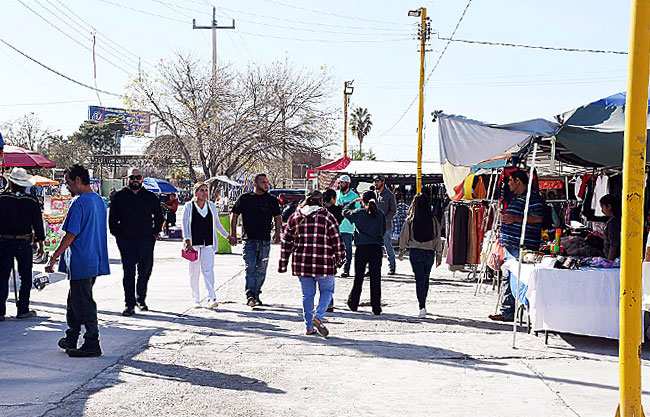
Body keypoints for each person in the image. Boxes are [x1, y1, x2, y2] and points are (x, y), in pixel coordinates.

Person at [46, 164, 110, 357]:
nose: (68, 187)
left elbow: (70, 235)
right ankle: (71, 336)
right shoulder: (99, 201)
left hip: (82, 259)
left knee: (83, 301)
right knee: (74, 300)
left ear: (79, 180)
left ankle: (92, 341)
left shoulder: (79, 203)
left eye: (68, 183)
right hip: (94, 258)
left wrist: (54, 256)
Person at [279, 190, 345, 336]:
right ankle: (318, 316)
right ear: (321, 202)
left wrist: (283, 263)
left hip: (302, 264)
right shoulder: (327, 217)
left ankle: (309, 327)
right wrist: (340, 259)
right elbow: (337, 240)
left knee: (307, 295)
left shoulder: (295, 217)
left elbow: (286, 241)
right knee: (327, 291)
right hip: (324, 263)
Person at [489, 170, 544, 322]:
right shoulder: (518, 197)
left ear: (518, 181)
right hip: (512, 245)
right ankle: (507, 310)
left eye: (510, 180)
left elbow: (538, 218)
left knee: (518, 277)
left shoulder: (532, 197)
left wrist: (515, 218)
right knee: (508, 276)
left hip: (522, 245)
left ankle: (511, 310)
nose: (508, 184)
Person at [109, 168, 164, 316]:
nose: (135, 180)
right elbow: (112, 219)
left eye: (138, 177)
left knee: (145, 271)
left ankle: (141, 298)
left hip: (146, 240)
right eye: (132, 177)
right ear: (127, 179)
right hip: (126, 241)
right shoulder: (119, 196)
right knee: (129, 273)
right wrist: (118, 236)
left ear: (142, 178)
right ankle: (129, 304)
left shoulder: (151, 197)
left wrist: (155, 233)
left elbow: (159, 217)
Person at [230, 173, 282, 307]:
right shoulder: (245, 198)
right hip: (249, 240)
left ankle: (256, 293)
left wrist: (277, 234)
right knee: (250, 268)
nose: (266, 184)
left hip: (265, 241)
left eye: (267, 182)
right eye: (263, 182)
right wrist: (233, 234)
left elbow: (278, 217)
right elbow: (234, 215)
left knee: (261, 269)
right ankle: (250, 295)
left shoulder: (272, 200)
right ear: (255, 184)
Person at [0, 168, 45, 321]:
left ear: (11, 183)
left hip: (4, 241)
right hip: (24, 242)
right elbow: (38, 224)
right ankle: (23, 309)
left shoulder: (2, 198)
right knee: (25, 276)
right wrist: (41, 244)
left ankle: (0, 311)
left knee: (2, 276)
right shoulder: (31, 201)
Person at [182, 182, 232, 309]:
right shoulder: (189, 206)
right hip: (194, 244)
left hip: (208, 243)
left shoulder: (211, 206)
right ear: (195, 193)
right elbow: (185, 224)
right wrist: (187, 240)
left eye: (206, 190)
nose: (205, 193)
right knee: (194, 272)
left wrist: (228, 236)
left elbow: (217, 224)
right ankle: (196, 299)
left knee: (208, 270)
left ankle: (211, 297)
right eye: (201, 190)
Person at [397, 193, 443, 318]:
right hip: (429, 253)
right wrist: (439, 255)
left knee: (419, 279)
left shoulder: (411, 220)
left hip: (415, 252)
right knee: (425, 279)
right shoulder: (433, 220)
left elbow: (404, 236)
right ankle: (423, 304)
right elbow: (438, 238)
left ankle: (421, 306)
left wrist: (401, 251)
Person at [343, 190, 386, 315]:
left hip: (362, 247)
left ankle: (354, 302)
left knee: (359, 277)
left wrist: (353, 202)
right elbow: (383, 229)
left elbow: (345, 211)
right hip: (376, 247)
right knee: (375, 278)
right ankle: (376, 306)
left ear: (363, 201)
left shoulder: (359, 213)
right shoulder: (380, 214)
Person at [373, 175, 397, 275]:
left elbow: (393, 210)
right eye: (375, 181)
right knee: (373, 247)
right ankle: (372, 268)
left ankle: (392, 267)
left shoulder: (390, 195)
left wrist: (384, 219)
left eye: (377, 181)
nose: (376, 183)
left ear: (383, 182)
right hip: (374, 226)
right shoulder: (374, 194)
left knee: (388, 246)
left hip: (386, 226)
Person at [336, 175, 358, 278]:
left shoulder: (354, 197)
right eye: (340, 182)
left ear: (348, 184)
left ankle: (346, 270)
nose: (340, 184)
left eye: (342, 183)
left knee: (347, 250)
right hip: (336, 227)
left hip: (347, 228)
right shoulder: (337, 194)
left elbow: (357, 211)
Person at [599, 194, 621, 261]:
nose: (602, 211)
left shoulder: (613, 222)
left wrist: (609, 261)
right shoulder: (614, 220)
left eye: (603, 207)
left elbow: (614, 244)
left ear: (609, 206)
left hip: (614, 260)